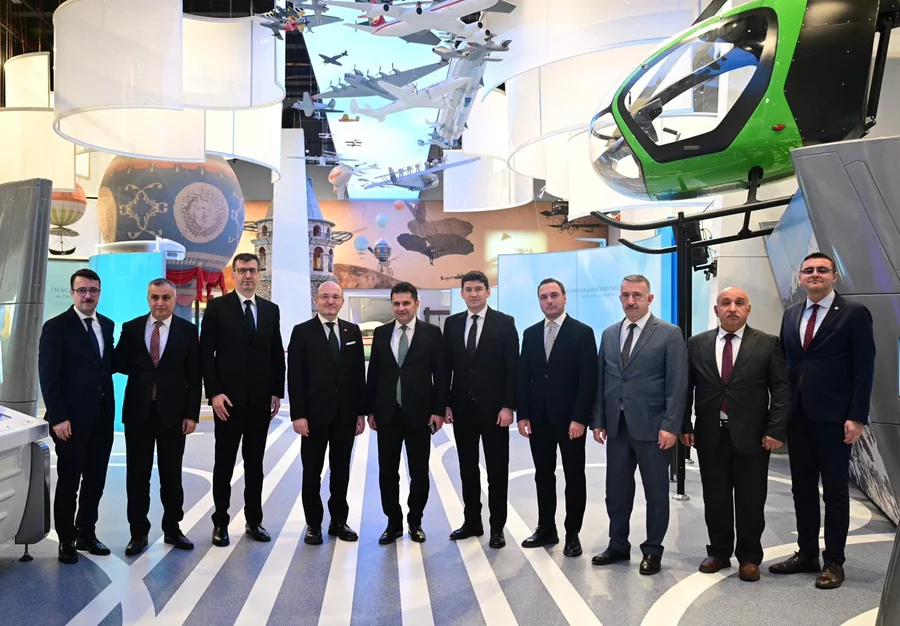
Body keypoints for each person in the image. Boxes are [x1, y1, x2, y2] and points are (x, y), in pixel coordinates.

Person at [769, 252, 875, 589]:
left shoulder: (854, 313)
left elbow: (864, 367)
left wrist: (856, 416)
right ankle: (806, 554)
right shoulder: (791, 314)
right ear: (800, 277)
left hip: (835, 419)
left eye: (822, 270)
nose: (815, 274)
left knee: (835, 492)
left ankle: (834, 562)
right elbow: (785, 364)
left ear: (834, 276)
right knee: (801, 489)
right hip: (798, 416)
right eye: (809, 270)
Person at [681, 287, 791, 582]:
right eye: (726, 303)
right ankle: (718, 552)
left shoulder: (766, 343)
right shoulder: (697, 344)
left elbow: (781, 390)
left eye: (739, 303)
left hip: (753, 437)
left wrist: (775, 429)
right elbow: (685, 388)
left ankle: (749, 557)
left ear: (748, 310)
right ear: (716, 310)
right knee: (715, 497)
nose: (732, 308)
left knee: (751, 500)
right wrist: (685, 425)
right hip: (709, 435)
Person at [590, 274, 687, 575]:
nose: (630, 301)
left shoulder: (669, 333)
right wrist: (599, 420)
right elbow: (602, 380)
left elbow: (678, 383)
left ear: (649, 298)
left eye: (637, 295)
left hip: (654, 428)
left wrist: (671, 425)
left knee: (656, 493)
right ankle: (618, 544)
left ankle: (653, 550)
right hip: (617, 428)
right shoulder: (609, 333)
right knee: (616, 491)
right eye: (625, 295)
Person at [201, 253, 286, 547]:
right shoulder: (217, 308)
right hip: (227, 403)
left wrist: (276, 391)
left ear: (259, 274)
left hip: (260, 402)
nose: (247, 275)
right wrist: (214, 393)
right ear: (233, 275)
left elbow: (276, 352)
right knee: (224, 464)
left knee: (255, 465)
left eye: (252, 270)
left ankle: (254, 520)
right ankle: (220, 523)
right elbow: (206, 354)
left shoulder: (271, 310)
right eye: (242, 270)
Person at [114, 278, 202, 556]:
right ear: (148, 299)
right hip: (138, 414)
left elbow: (194, 375)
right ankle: (138, 533)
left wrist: (191, 414)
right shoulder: (131, 328)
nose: (160, 303)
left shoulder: (188, 331)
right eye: (155, 297)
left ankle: (173, 529)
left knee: (171, 476)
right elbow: (119, 361)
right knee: (137, 477)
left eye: (166, 298)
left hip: (173, 415)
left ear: (174, 300)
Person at [38, 269, 116, 564]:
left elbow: (105, 366)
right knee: (69, 482)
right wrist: (58, 417)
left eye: (93, 290)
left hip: (102, 418)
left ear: (99, 293)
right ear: (72, 293)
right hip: (70, 421)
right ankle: (66, 540)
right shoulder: (56, 327)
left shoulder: (106, 325)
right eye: (82, 290)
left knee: (95, 480)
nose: (87, 296)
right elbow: (48, 376)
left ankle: (86, 533)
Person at [516, 278, 597, 557]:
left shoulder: (582, 333)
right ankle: (546, 528)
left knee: (574, 476)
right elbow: (523, 376)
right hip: (539, 419)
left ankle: (572, 534)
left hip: (570, 421)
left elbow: (588, 379)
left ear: (564, 297)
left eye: (553, 295)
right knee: (543, 475)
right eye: (543, 297)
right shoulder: (530, 333)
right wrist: (523, 415)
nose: (549, 301)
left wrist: (580, 418)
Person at [366, 282, 447, 544]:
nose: (401, 308)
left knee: (419, 472)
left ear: (416, 303)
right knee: (387, 472)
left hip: (419, 415)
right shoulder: (381, 333)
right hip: (387, 415)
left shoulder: (432, 334)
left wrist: (438, 411)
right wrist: (370, 410)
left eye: (406, 303)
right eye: (396, 303)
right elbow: (374, 373)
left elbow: (441, 376)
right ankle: (393, 523)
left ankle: (415, 521)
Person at [443, 270, 519, 549]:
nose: (473, 294)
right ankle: (472, 521)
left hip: (495, 411)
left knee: (497, 470)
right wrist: (446, 403)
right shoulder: (452, 324)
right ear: (462, 294)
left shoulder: (504, 323)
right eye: (468, 289)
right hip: (462, 409)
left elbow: (513, 368)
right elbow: (446, 367)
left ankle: (497, 527)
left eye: (478, 289)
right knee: (467, 469)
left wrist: (508, 406)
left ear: (488, 292)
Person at [288, 281, 366, 545]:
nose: (330, 301)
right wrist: (298, 415)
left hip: (345, 416)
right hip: (313, 417)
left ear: (342, 301)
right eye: (325, 297)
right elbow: (295, 376)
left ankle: (339, 521)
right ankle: (313, 524)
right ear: (316, 300)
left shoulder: (352, 331)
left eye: (335, 297)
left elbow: (358, 375)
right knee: (312, 473)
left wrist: (360, 413)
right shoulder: (302, 332)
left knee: (341, 472)